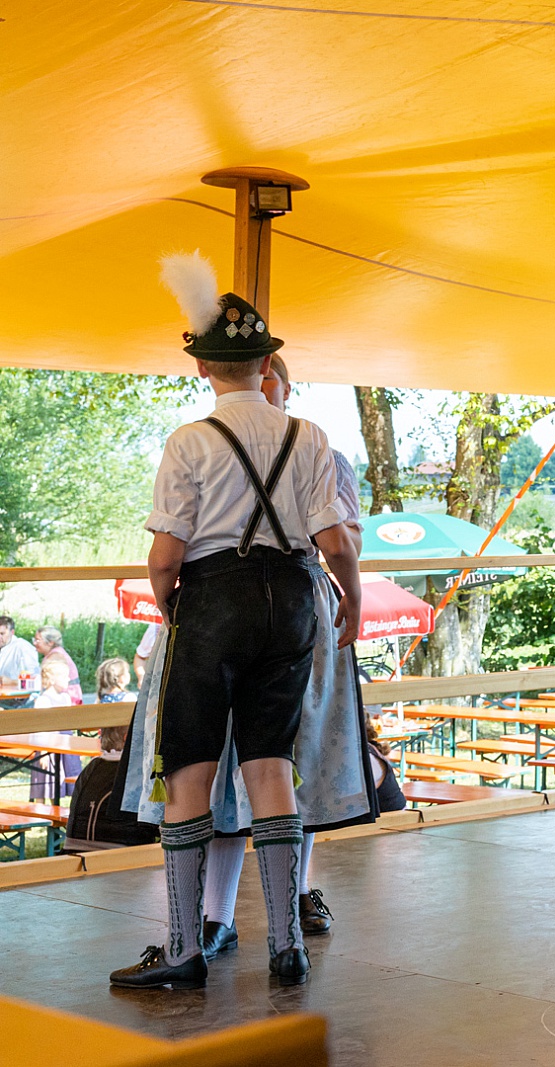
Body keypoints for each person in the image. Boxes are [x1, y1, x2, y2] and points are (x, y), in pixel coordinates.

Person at [109, 253, 361, 991]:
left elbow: (166, 556)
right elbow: (336, 541)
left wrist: (170, 601)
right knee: (271, 764)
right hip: (292, 600)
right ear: (263, 364)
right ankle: (287, 946)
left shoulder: (190, 441)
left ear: (202, 367)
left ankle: (184, 948)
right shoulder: (309, 436)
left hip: (214, 600)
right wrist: (348, 599)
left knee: (189, 769)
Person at [191, 351, 373, 956]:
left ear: (286, 387)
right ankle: (219, 915)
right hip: (272, 607)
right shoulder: (221, 444)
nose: (264, 386)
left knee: (296, 752)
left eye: (273, 379)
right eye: (260, 375)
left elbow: (343, 540)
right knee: (231, 756)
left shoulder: (318, 452)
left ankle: (291, 892)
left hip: (285, 606)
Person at [66, 725, 159, 848]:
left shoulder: (91, 767)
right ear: (128, 738)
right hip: (118, 852)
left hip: (74, 849)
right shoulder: (136, 772)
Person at [28, 660, 81, 801]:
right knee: (45, 783)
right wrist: (43, 752)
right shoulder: (43, 700)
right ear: (52, 680)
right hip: (48, 747)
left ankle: (56, 809)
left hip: (64, 746)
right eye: (64, 676)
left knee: (60, 782)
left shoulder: (65, 698)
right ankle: (40, 810)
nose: (68, 679)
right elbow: (40, 728)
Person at [32, 627, 83, 703]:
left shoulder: (56, 657)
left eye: (38, 640)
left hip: (65, 697)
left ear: (51, 642)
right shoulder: (54, 653)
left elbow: (50, 681)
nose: (34, 643)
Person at [0, 615, 41, 685]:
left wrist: (12, 682)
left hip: (17, 691)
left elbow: (34, 679)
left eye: (2, 634)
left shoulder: (23, 647)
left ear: (12, 632)